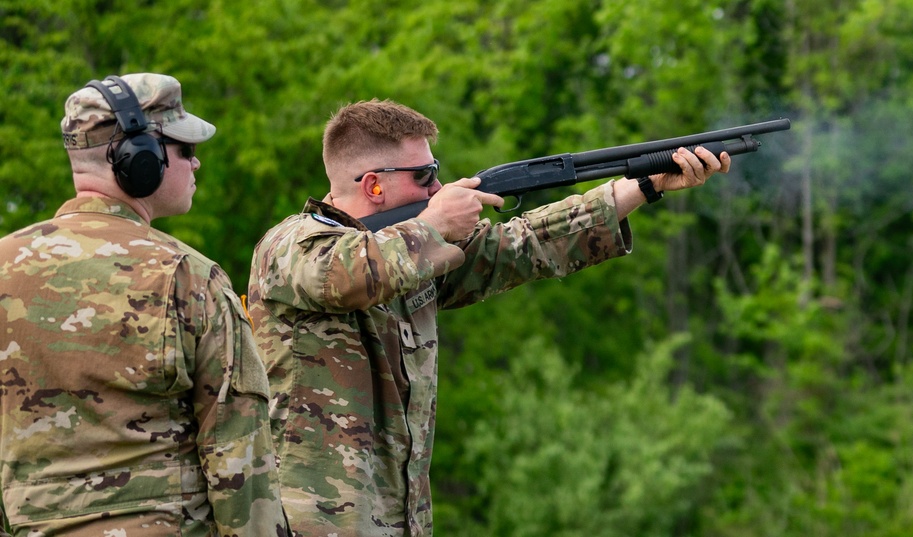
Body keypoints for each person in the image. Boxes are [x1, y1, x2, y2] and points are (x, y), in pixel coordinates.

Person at [246, 98, 730, 536]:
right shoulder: (292, 245)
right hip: (312, 521)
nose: (438, 186)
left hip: (398, 518)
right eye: (424, 176)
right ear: (373, 184)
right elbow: (348, 275)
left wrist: (642, 186)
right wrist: (433, 224)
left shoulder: (414, 252)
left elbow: (524, 243)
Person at [0, 73, 288, 536]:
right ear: (140, 159)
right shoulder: (188, 277)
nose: (195, 164)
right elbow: (240, 462)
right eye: (185, 150)